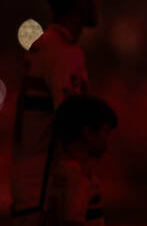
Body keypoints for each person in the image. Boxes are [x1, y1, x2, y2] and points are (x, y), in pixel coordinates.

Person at [11, 0, 98, 224]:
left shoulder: (46, 46)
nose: (97, 3)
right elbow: (71, 124)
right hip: (45, 195)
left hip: (31, 189)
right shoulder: (61, 51)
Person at [41, 95, 117, 226]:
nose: (107, 141)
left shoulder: (60, 171)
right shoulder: (78, 176)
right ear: (88, 133)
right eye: (105, 133)